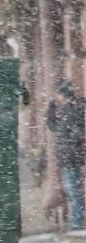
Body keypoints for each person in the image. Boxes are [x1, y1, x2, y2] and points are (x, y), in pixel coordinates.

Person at [48, 81, 86, 230]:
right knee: (72, 190)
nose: (58, 98)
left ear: (64, 95)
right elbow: (53, 127)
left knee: (73, 190)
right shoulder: (67, 110)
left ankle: (77, 222)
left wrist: (71, 147)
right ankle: (77, 221)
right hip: (67, 157)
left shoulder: (73, 110)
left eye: (59, 95)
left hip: (70, 157)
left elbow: (76, 133)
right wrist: (51, 109)